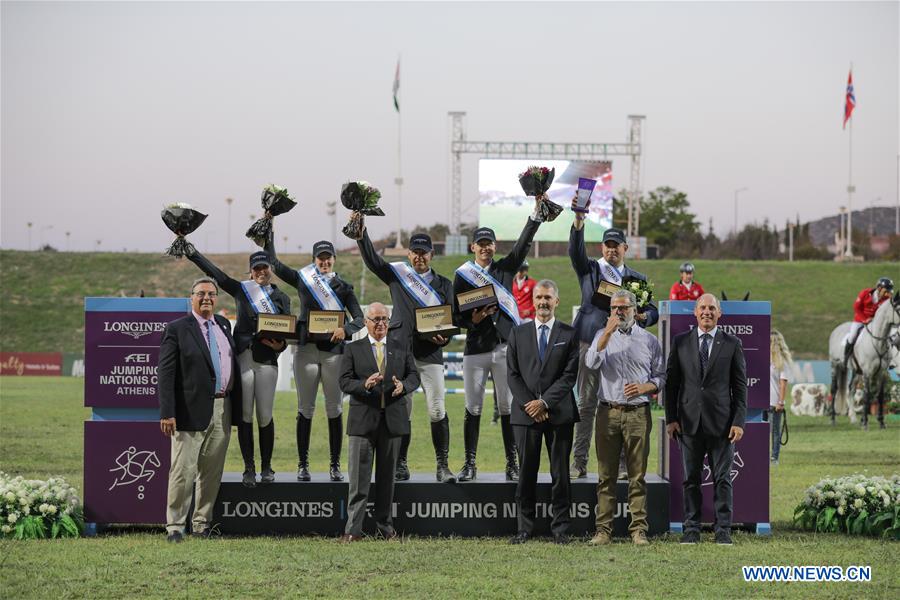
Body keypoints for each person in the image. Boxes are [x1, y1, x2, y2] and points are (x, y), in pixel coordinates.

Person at [183, 243, 290, 487]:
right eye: (256, 268)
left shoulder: (282, 297)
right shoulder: (242, 290)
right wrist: (193, 253)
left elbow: (286, 330)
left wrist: (281, 345)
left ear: (270, 269)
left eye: (264, 267)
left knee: (265, 414)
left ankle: (267, 467)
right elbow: (217, 274)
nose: (261, 272)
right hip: (243, 358)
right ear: (250, 272)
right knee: (245, 414)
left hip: (267, 360)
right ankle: (249, 468)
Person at [453, 202, 544, 482]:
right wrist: (474, 320)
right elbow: (456, 315)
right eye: (481, 244)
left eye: (489, 244)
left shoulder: (505, 268)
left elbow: (523, 245)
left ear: (494, 246)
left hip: (505, 347)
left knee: (507, 407)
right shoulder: (462, 274)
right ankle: (469, 464)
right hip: (476, 348)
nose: (485, 248)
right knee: (473, 407)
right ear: (473, 247)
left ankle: (511, 464)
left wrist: (535, 217)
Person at [357, 227, 457, 483]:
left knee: (437, 409)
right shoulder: (397, 275)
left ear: (432, 255)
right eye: (415, 252)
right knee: (403, 410)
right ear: (409, 254)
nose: (419, 257)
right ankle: (401, 464)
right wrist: (361, 235)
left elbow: (451, 320)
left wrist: (445, 338)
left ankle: (442, 466)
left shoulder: (445, 284)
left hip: (430, 354)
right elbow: (373, 261)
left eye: (424, 253)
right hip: (401, 353)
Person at [568, 203, 659, 480]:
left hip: (625, 348)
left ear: (625, 248)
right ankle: (579, 462)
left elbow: (653, 310)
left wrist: (644, 316)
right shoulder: (590, 269)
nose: (611, 250)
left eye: (616, 246)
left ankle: (621, 466)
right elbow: (575, 251)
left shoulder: (637, 279)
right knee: (586, 404)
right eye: (607, 246)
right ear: (602, 248)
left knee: (622, 402)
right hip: (591, 343)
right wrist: (579, 221)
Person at [265, 231, 364, 482]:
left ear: (334, 259)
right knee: (305, 408)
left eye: (328, 257)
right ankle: (303, 465)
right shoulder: (303, 278)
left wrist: (346, 330)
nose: (324, 261)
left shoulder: (344, 287)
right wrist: (269, 232)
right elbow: (275, 264)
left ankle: (335, 465)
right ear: (314, 259)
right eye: (320, 258)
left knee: (334, 408)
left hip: (334, 354)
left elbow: (360, 318)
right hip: (306, 351)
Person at [158, 277, 241, 542]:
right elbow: (166, 374)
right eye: (201, 293)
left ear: (217, 298)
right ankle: (175, 526)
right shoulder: (177, 329)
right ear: (191, 297)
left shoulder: (224, 325)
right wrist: (167, 412)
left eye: (211, 294)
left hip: (223, 407)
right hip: (189, 409)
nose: (206, 298)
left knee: (211, 472)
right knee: (183, 471)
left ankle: (201, 523)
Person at [665, 293, 747, 545]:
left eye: (712, 308)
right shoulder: (680, 342)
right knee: (691, 480)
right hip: (688, 423)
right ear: (695, 312)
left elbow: (740, 387)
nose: (707, 312)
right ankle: (691, 529)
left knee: (723, 480)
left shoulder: (732, 343)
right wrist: (671, 418)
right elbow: (672, 385)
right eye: (702, 308)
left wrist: (738, 421)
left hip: (722, 425)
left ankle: (723, 530)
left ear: (719, 313)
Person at [585, 290, 664, 546]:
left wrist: (645, 387)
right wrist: (607, 334)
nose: (618, 312)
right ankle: (603, 530)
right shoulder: (601, 335)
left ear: (634, 310)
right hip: (608, 411)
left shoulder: (649, 340)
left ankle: (638, 529)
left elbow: (661, 375)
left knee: (637, 475)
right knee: (606, 475)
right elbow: (590, 363)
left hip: (638, 413)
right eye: (614, 308)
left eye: (623, 307)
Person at [339, 303, 420, 542]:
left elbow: (414, 376)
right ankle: (353, 531)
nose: (381, 323)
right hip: (362, 422)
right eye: (376, 319)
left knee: (387, 481)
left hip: (393, 422)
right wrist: (363, 385)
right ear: (366, 322)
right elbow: (344, 382)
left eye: (384, 319)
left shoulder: (401, 347)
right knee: (358, 482)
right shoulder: (352, 349)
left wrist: (404, 386)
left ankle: (386, 529)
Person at [506, 279, 579, 545]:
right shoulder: (518, 333)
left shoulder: (569, 334)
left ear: (556, 301)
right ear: (533, 301)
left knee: (560, 474)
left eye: (548, 297)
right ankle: (524, 528)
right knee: (526, 472)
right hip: (525, 415)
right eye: (539, 297)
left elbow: (569, 376)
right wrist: (531, 405)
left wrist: (545, 403)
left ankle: (560, 529)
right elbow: (512, 375)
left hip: (559, 414)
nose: (543, 302)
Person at [844, 277, 894, 366]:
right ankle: (846, 358)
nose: (887, 293)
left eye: (889, 291)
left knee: (888, 337)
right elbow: (856, 307)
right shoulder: (865, 293)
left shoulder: (886, 299)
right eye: (886, 291)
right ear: (879, 288)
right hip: (860, 320)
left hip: (874, 322)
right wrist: (865, 319)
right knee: (852, 337)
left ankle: (890, 360)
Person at [769, 330, 792, 466]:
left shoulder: (781, 362)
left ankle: (774, 457)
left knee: (775, 431)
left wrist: (781, 402)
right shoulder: (765, 358)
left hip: (773, 402)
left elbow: (783, 384)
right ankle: (766, 456)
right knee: (766, 432)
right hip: (764, 402)